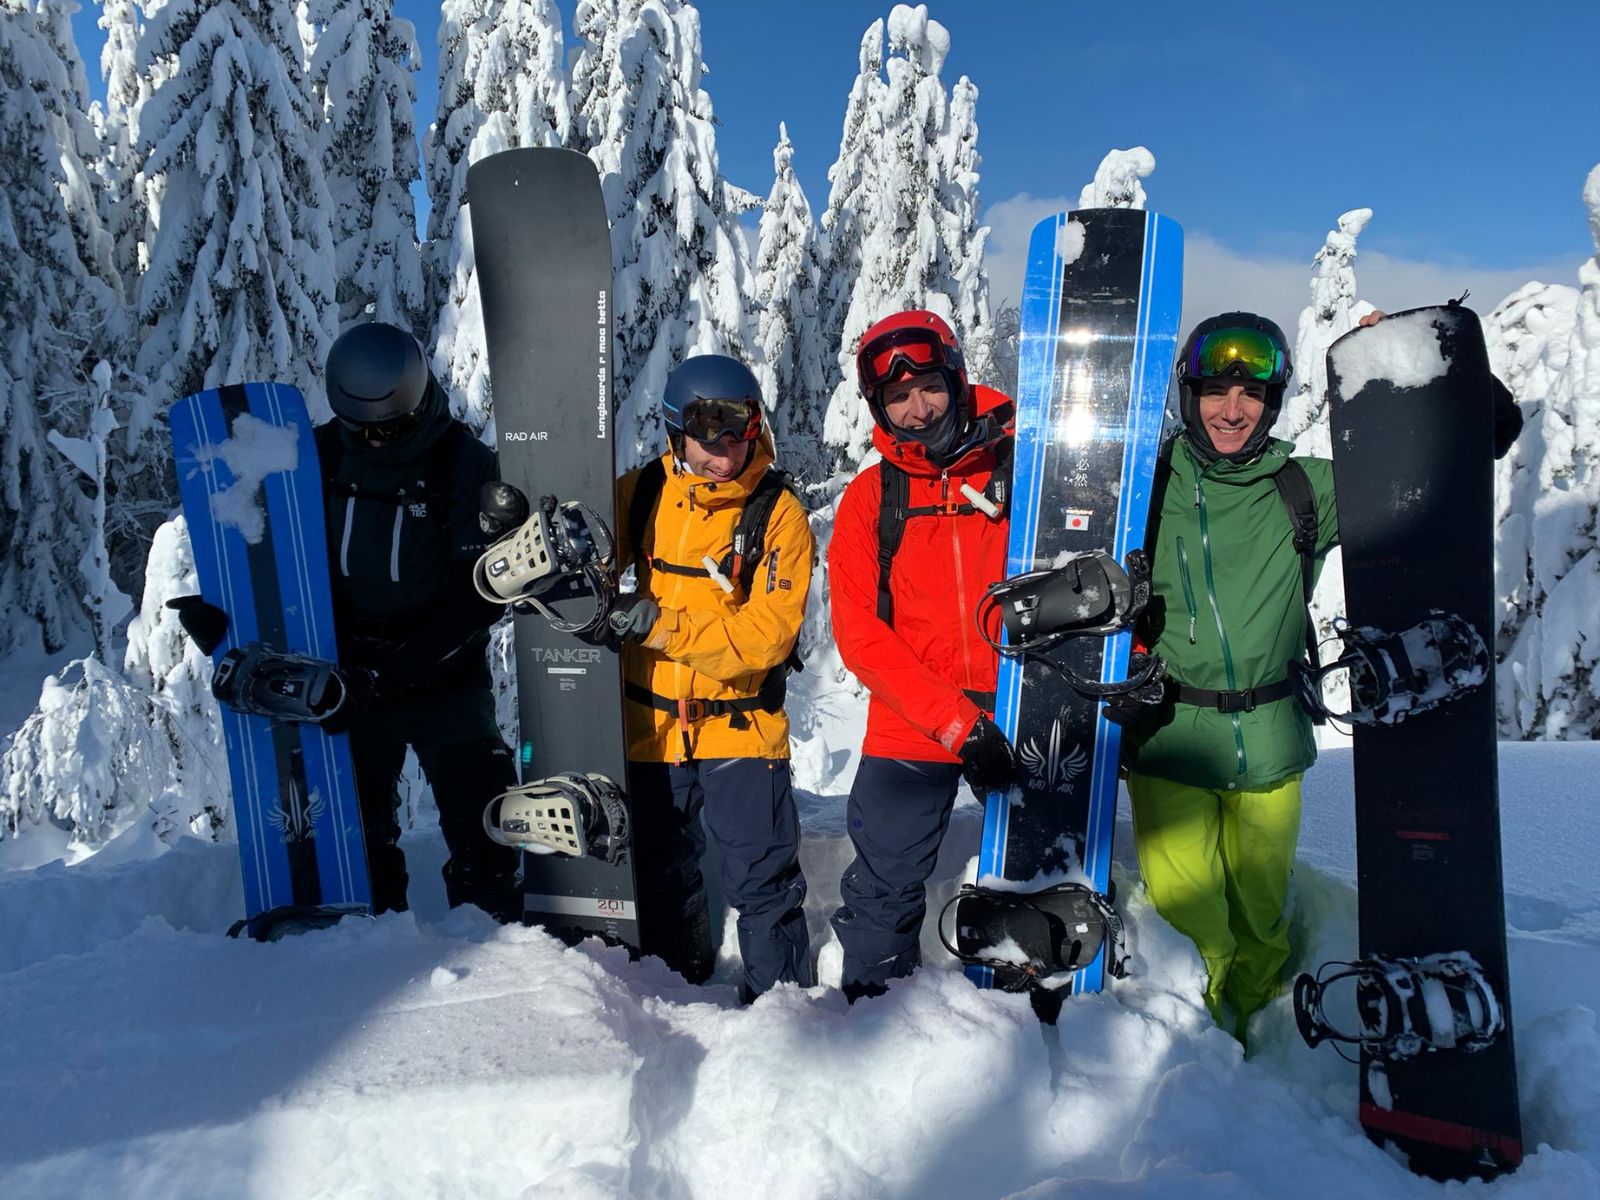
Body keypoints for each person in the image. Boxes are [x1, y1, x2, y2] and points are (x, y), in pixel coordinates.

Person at [1112, 307, 1522, 1043]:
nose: (1234, 410)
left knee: (1262, 918)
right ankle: (1194, 1057)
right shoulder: (1145, 483)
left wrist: (1411, 374)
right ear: (1187, 394)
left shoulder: (1305, 488)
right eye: (1216, 391)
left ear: (1273, 403)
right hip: (1169, 741)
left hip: (1272, 744)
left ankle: (1256, 1047)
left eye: (1253, 396)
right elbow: (1048, 491)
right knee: (1191, 919)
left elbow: (1456, 454)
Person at [171, 322, 520, 920]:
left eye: (392, 428)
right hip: (348, 671)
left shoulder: (463, 465)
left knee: (483, 826)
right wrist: (226, 623)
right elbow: (274, 562)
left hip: (442, 675)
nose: (379, 442)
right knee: (354, 840)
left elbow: (480, 597)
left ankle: (495, 955)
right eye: (366, 430)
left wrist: (391, 675)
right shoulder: (318, 457)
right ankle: (365, 957)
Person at [593, 353, 815, 1001]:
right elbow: (587, 542)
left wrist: (660, 626)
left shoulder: (776, 515)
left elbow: (764, 639)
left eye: (737, 427)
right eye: (707, 429)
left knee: (764, 885)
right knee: (659, 874)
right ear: (673, 430)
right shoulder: (644, 496)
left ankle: (784, 1020)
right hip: (651, 729)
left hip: (738, 730)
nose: (724, 447)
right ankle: (677, 993)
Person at [827, 310, 1018, 1001]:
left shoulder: (1019, 463)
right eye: (896, 398)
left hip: (1021, 701)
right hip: (915, 715)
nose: (917, 408)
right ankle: (873, 1022)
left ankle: (1033, 1021)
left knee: (1041, 871)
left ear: (955, 378)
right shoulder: (871, 498)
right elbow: (859, 633)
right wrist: (953, 722)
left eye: (928, 386)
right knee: (882, 885)